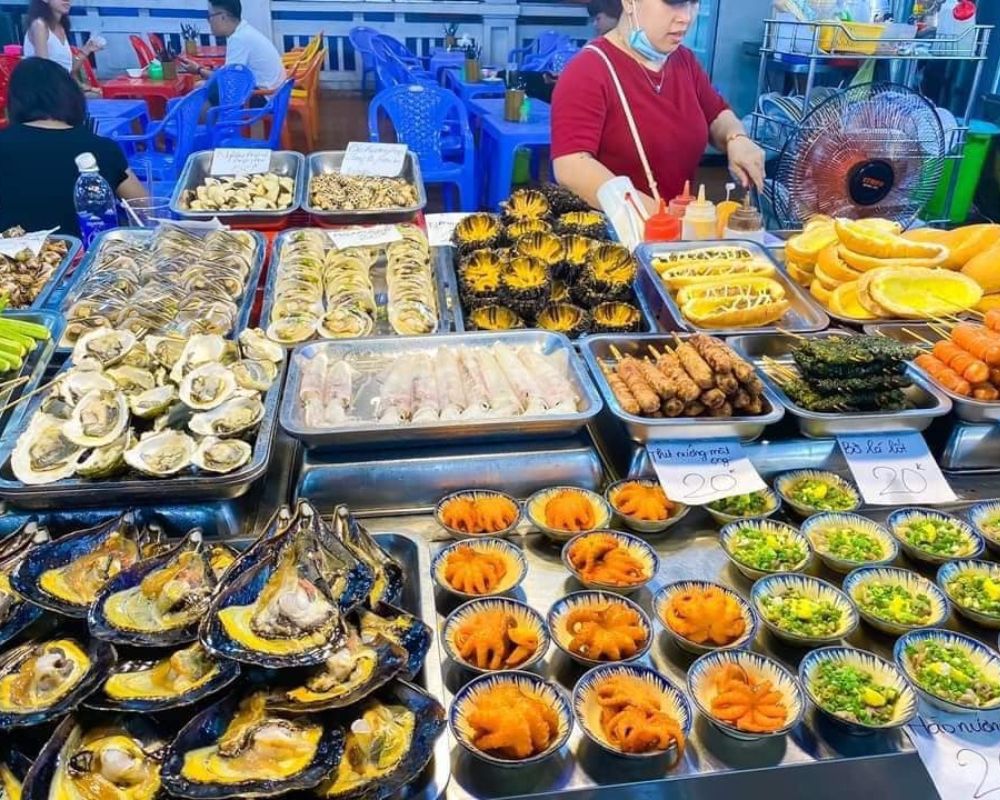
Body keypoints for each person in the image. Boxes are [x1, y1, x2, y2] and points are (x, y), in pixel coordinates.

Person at [551, 0, 765, 213]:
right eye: (673, 3)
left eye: (694, 3)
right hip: (617, 236)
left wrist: (736, 138)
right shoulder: (588, 70)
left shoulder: (684, 61)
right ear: (629, 3)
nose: (686, 17)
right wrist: (657, 217)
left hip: (675, 232)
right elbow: (572, 167)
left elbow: (716, 114)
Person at [0, 58, 145, 238]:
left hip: (11, 261)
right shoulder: (101, 148)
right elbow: (144, 208)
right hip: (90, 258)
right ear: (71, 97)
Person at [182, 0, 285, 96]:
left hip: (262, 96)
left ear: (223, 17)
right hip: (272, 93)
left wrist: (199, 70)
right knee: (204, 87)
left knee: (199, 90)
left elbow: (228, 82)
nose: (209, 21)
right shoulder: (244, 32)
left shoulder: (239, 39)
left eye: (209, 16)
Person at [23, 0, 102, 75]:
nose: (67, 0)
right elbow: (44, 69)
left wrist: (86, 50)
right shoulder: (39, 25)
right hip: (45, 87)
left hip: (60, 85)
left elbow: (68, 69)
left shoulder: (61, 27)